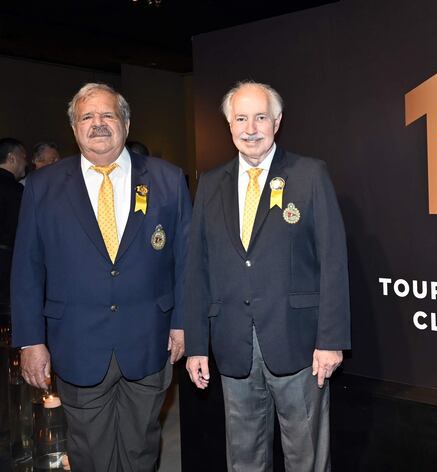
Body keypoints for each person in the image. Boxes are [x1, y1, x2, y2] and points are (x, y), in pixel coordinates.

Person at [11, 83, 191, 472]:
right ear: (74, 128)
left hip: (150, 339)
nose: (98, 124)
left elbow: (186, 261)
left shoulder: (168, 179)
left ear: (125, 122)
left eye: (107, 115)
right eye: (87, 117)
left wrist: (182, 323)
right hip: (77, 343)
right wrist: (30, 341)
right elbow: (27, 268)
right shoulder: (43, 186)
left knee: (142, 448)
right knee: (90, 452)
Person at [184, 81, 350, 471]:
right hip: (232, 343)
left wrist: (331, 340)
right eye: (240, 118)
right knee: (243, 455)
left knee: (305, 455)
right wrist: (195, 344)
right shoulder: (210, 184)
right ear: (229, 125)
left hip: (299, 344)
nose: (250, 128)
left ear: (277, 121)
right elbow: (197, 269)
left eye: (260, 117)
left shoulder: (310, 175)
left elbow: (333, 261)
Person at [0, 138, 26, 304]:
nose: (26, 162)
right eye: (23, 157)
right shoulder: (16, 190)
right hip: (6, 262)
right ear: (12, 158)